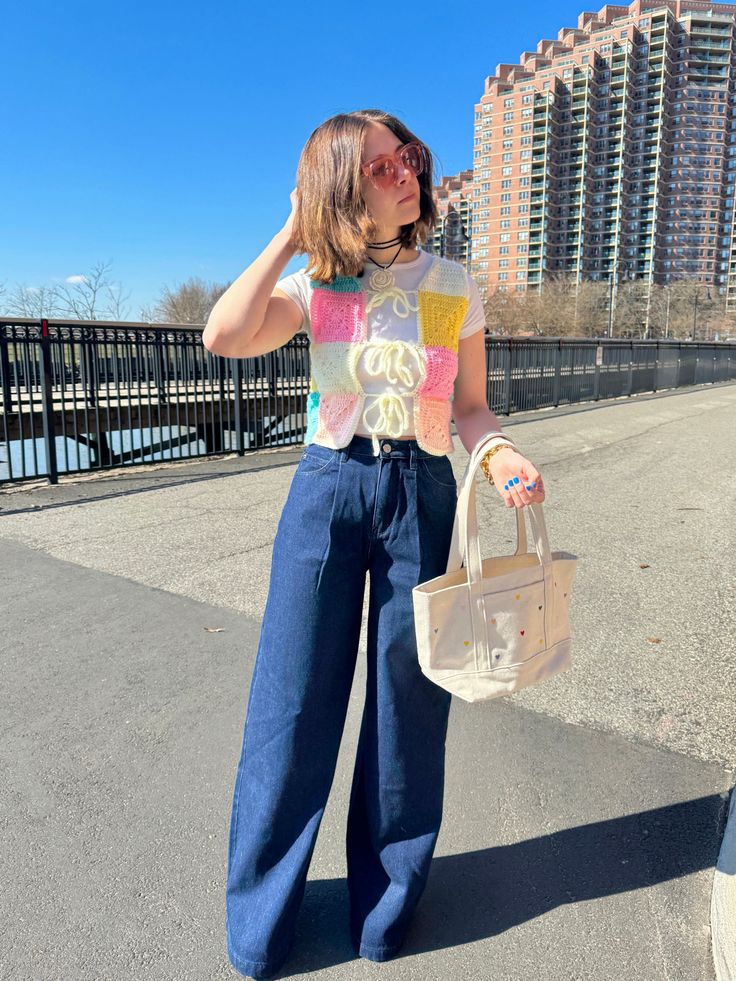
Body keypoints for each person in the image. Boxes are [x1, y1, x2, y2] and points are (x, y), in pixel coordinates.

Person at [202, 108, 545, 980]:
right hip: (327, 488)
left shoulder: (453, 284)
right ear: (343, 189)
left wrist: (500, 454)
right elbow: (225, 336)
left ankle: (384, 909)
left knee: (407, 709)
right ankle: (260, 925)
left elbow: (470, 408)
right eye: (383, 166)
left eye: (409, 158)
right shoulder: (319, 285)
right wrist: (291, 228)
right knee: (290, 699)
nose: (406, 174)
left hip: (421, 492)